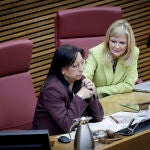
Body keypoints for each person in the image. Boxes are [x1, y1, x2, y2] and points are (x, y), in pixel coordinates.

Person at [32, 45, 104, 135]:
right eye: (75, 66)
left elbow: (99, 117)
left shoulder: (80, 80)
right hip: (51, 140)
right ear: (62, 69)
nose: (81, 69)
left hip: (72, 135)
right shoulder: (52, 90)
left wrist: (92, 95)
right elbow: (67, 125)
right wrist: (80, 96)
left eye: (82, 63)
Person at [83, 19, 139, 98]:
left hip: (121, 99)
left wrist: (99, 90)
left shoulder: (133, 53)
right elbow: (85, 77)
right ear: (108, 40)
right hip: (97, 101)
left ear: (128, 44)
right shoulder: (95, 53)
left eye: (122, 43)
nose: (116, 46)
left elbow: (129, 85)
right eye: (113, 41)